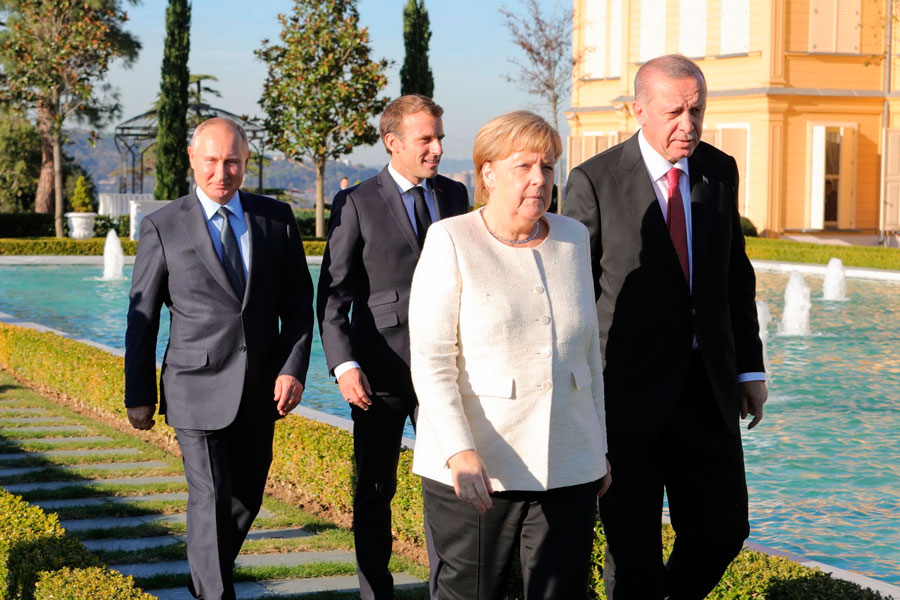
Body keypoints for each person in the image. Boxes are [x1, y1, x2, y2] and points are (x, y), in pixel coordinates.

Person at [563, 54, 768, 599]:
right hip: (626, 396)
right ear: (639, 110)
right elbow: (574, 295)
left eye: (696, 110)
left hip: (707, 390)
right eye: (674, 112)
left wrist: (749, 370)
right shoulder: (594, 181)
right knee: (632, 550)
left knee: (724, 528)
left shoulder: (719, 170)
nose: (688, 124)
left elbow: (734, 276)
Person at [408, 110, 611, 600]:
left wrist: (598, 448)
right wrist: (459, 451)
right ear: (489, 173)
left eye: (548, 166)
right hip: (479, 467)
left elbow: (589, 353)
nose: (539, 179)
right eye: (524, 166)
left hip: (569, 462)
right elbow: (432, 361)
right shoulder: (451, 239)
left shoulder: (573, 237)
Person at [124, 117, 314, 600]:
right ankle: (214, 593)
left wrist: (292, 367)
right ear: (192, 158)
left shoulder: (277, 219)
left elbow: (298, 305)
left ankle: (204, 576)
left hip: (260, 390)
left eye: (232, 161)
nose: (221, 172)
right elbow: (142, 318)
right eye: (211, 160)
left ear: (246, 161)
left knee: (246, 496)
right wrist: (139, 393)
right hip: (194, 386)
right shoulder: (163, 226)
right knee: (208, 493)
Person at [316, 94, 469, 600]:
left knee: (451, 490)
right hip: (379, 374)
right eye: (426, 139)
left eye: (439, 137)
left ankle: (447, 592)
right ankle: (374, 592)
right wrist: (344, 365)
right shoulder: (356, 202)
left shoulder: (455, 194)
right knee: (376, 489)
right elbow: (333, 296)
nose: (437, 148)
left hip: (447, 370)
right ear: (392, 142)